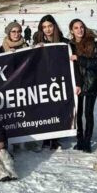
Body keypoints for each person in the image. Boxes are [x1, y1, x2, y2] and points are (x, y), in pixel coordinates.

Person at [32, 15, 70, 150]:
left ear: (54, 26)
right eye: (44, 27)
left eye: (50, 26)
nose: (47, 30)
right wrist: (35, 50)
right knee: (46, 110)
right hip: (43, 80)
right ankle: (46, 138)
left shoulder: (63, 42)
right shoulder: (37, 41)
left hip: (59, 80)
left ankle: (55, 138)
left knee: (57, 109)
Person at [69, 19, 97, 152]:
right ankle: (79, 140)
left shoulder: (93, 44)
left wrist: (80, 59)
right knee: (77, 113)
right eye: (76, 28)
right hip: (76, 83)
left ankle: (87, 141)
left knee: (88, 113)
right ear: (72, 30)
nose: (79, 30)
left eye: (81, 27)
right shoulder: (70, 45)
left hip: (91, 83)